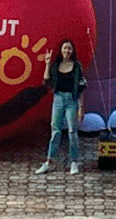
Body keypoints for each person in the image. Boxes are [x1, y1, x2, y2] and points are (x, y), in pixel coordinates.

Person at [35, 39, 86, 175]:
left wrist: (81, 107)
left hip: (71, 100)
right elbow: (46, 81)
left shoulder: (77, 67)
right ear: (61, 50)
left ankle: (74, 162)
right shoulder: (55, 65)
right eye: (64, 48)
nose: (66, 51)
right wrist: (46, 64)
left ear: (72, 51)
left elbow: (81, 88)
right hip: (58, 98)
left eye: (69, 49)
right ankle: (48, 161)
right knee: (55, 130)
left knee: (72, 132)